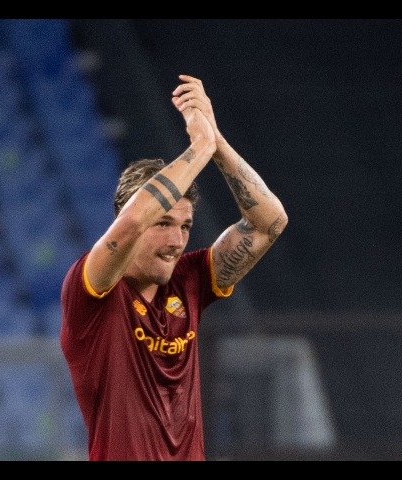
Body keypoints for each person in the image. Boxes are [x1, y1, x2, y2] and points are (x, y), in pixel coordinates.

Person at [60, 74, 288, 461]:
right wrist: (199, 147)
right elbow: (133, 222)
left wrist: (216, 143)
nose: (177, 240)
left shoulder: (189, 280)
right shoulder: (92, 289)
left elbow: (270, 223)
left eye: (184, 226)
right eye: (163, 223)